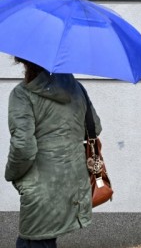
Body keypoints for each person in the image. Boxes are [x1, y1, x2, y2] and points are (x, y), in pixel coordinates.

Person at [4, 57, 102, 248]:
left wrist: (12, 175)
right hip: (73, 183)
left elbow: (23, 147)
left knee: (33, 241)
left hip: (41, 188)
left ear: (24, 62)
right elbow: (94, 128)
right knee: (44, 240)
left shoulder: (22, 93)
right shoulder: (76, 88)